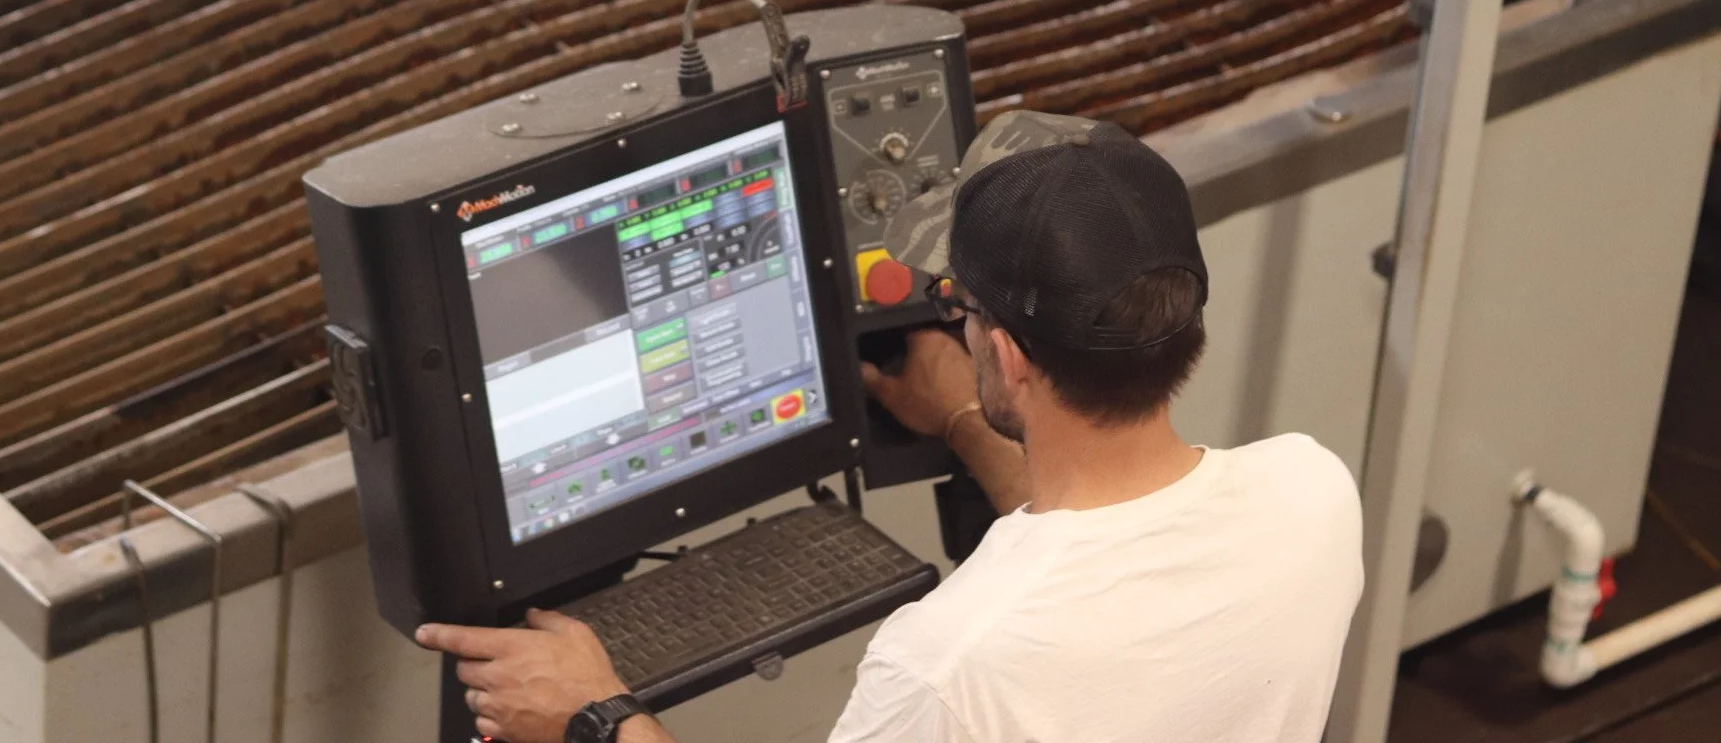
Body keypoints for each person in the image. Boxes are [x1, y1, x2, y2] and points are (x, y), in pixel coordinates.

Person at [417, 111, 1364, 743]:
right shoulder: (1312, 495)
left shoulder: (951, 667)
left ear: (1015, 356)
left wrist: (598, 713)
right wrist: (964, 417)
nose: (957, 324)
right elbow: (1113, 555)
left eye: (965, 311)